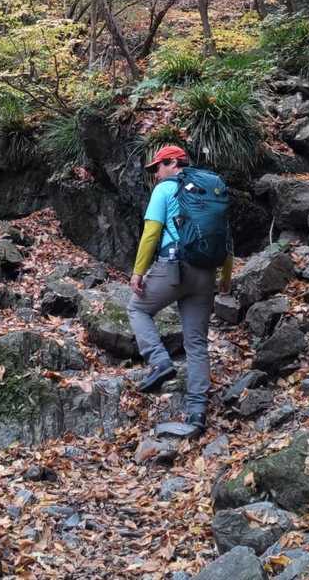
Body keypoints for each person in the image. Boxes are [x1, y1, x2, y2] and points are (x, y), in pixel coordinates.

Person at [127, 143, 234, 431]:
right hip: (206, 274)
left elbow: (151, 234)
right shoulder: (210, 191)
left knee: (137, 309)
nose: (156, 174)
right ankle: (197, 411)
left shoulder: (164, 190)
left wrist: (138, 272)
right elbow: (224, 234)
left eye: (158, 167)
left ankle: (159, 361)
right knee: (196, 342)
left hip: (174, 268)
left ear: (174, 163)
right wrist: (226, 276)